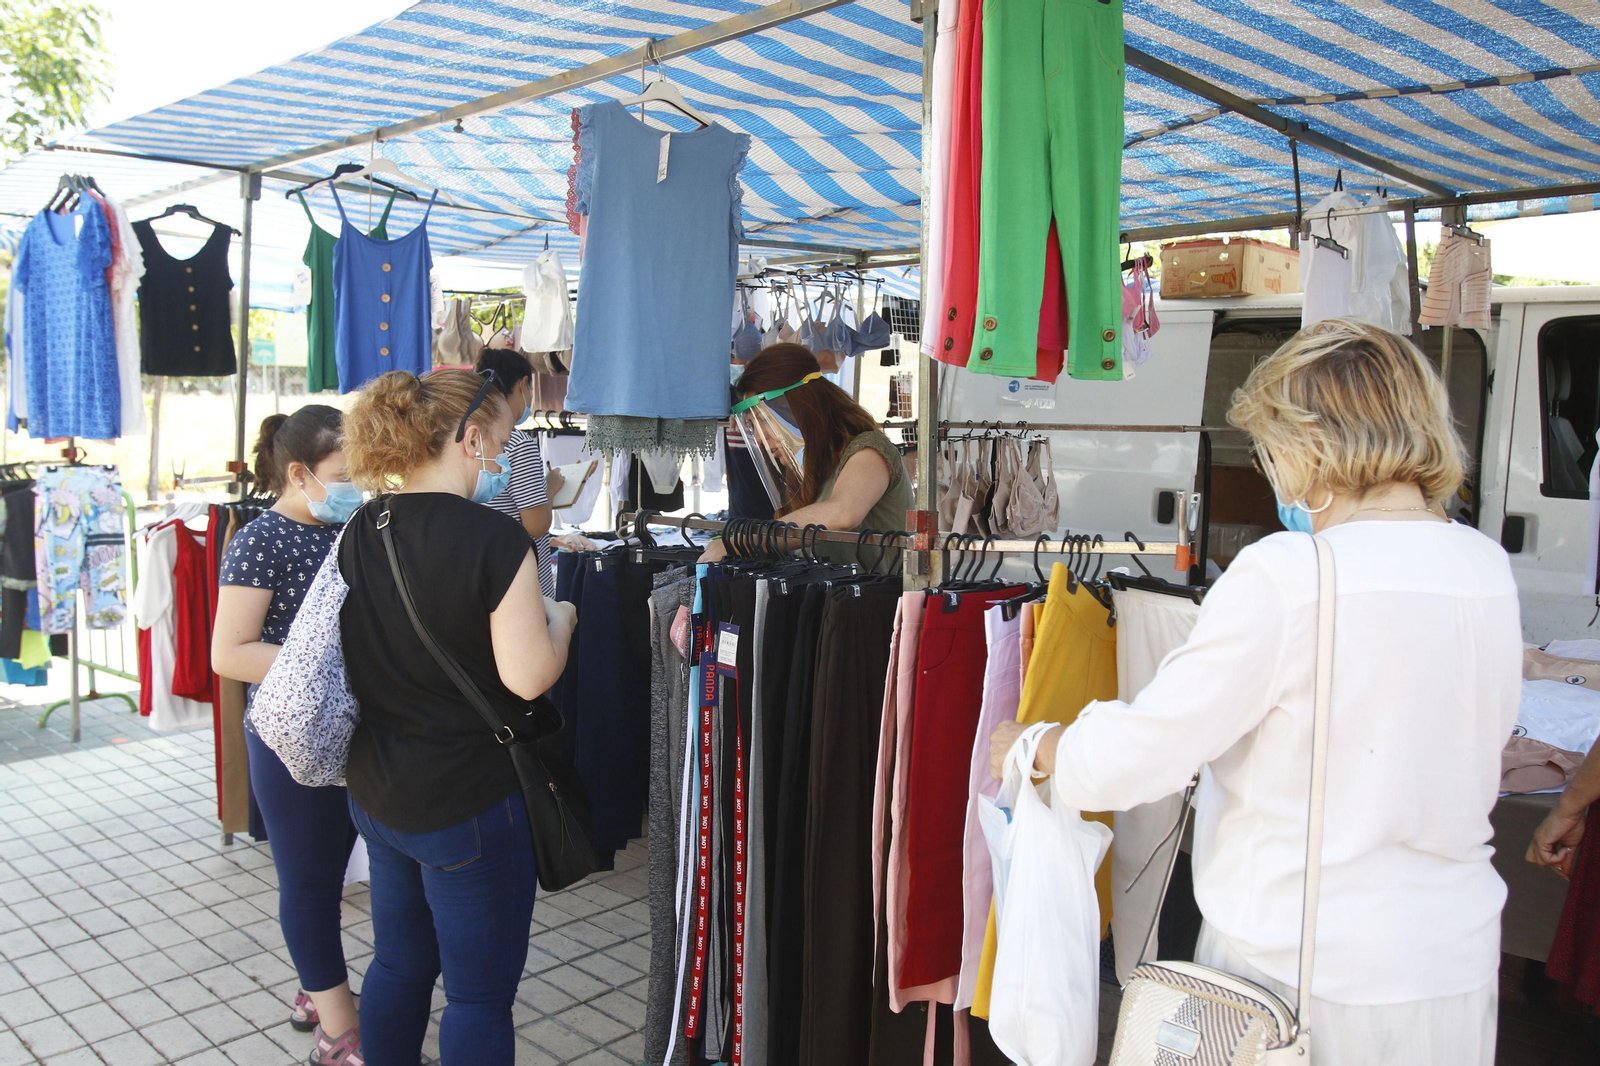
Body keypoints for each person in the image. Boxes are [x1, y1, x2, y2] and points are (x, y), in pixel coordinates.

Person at [990, 319, 1521, 1064]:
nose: (1272, 471)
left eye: (1270, 449)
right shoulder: (1482, 566)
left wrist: (1040, 747)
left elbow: (1150, 750)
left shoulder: (1292, 573)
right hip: (1450, 970)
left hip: (1300, 976)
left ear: (1311, 444)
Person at [337, 367, 576, 1065]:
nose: (503, 458)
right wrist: (563, 620)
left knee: (399, 964)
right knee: (476, 997)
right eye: (501, 441)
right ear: (471, 438)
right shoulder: (493, 541)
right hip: (467, 798)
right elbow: (527, 677)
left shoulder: (361, 526)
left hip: (381, 787)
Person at [212, 406, 365, 1066]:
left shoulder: (356, 529)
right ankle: (340, 1032)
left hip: (359, 733)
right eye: (343, 474)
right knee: (309, 882)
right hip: (289, 742)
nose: (356, 485)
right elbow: (229, 652)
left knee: (341, 875)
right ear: (299, 473)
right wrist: (325, 664)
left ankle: (316, 989)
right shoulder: (260, 540)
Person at [701, 343, 911, 566]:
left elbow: (843, 513)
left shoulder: (869, 450)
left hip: (881, 598)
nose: (760, 438)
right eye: (753, 426)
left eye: (762, 420)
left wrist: (740, 543)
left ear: (797, 406)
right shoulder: (809, 467)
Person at [474, 348, 561, 596]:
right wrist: (550, 488)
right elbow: (535, 525)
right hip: (520, 582)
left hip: (483, 575)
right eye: (531, 389)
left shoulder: (469, 436)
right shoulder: (518, 442)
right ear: (523, 384)